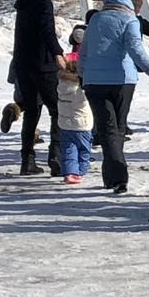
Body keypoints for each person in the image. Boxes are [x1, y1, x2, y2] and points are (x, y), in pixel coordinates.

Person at [78, 0, 149, 194]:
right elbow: (135, 48)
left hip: (93, 82)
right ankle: (118, 177)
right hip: (122, 81)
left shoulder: (95, 20)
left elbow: (84, 51)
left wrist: (82, 75)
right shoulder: (130, 20)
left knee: (106, 128)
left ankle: (112, 176)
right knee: (117, 128)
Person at [11, 0, 67, 176]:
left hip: (23, 63)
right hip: (43, 64)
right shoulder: (43, 2)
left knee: (31, 111)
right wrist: (57, 53)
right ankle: (56, 155)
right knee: (57, 109)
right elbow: (47, 30)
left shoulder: (25, 0)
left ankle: (27, 160)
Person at [56, 26, 93, 184]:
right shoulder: (81, 89)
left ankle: (69, 172)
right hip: (82, 124)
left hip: (64, 123)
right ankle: (80, 171)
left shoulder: (61, 86)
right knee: (84, 149)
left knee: (68, 149)